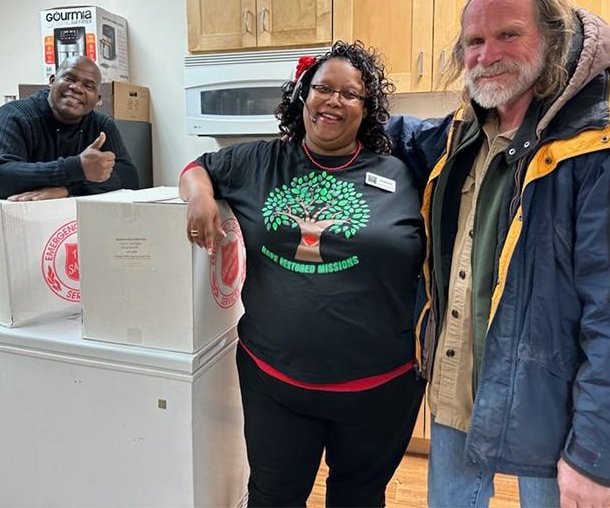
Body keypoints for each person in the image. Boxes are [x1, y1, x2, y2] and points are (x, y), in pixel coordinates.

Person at [386, 0, 610, 508]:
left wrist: (596, 456)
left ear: (554, 40)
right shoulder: (457, 138)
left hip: (555, 412)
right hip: (456, 387)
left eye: (508, 34)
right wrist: (212, 170)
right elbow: (390, 132)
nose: (488, 54)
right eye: (474, 41)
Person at [180, 41, 426, 507]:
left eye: (350, 94)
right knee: (273, 498)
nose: (334, 100)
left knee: (359, 499)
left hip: (380, 391)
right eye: (323, 88)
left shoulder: (403, 175)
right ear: (302, 96)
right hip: (276, 384)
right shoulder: (258, 162)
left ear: (368, 108)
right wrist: (200, 196)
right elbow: (198, 167)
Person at [0, 55, 139, 201]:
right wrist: (75, 168)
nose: (77, 88)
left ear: (97, 99)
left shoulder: (102, 125)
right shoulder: (16, 114)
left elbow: (129, 177)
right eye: (69, 78)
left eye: (88, 86)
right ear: (52, 81)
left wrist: (69, 188)